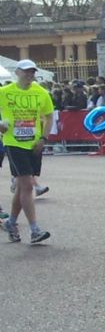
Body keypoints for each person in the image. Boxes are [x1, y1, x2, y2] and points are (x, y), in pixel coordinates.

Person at [0, 60, 53, 245]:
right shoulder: (4, 92)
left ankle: (11, 223)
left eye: (32, 72)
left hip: (34, 144)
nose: (30, 75)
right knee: (28, 185)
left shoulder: (40, 92)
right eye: (26, 72)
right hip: (14, 143)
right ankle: (34, 230)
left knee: (23, 187)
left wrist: (44, 138)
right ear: (17, 72)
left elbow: (49, 115)